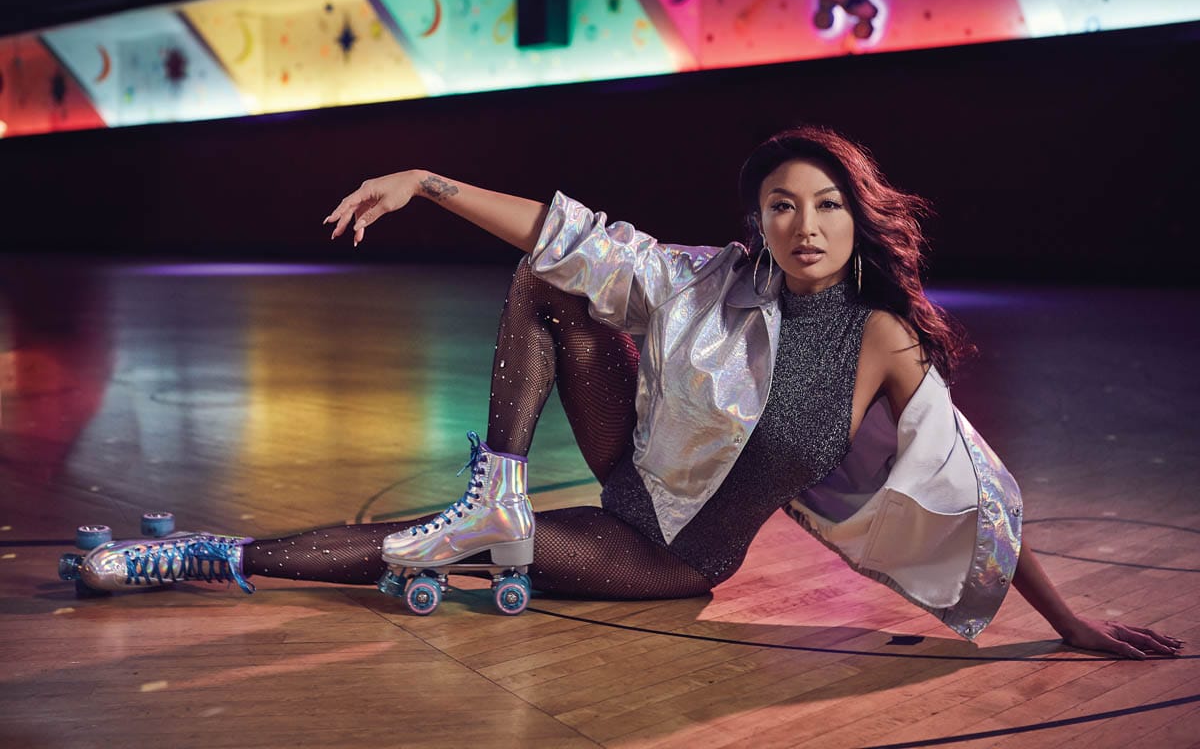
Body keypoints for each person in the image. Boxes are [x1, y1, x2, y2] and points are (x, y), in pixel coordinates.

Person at [61, 126, 1181, 660]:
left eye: (828, 204)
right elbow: (574, 237)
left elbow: (978, 490)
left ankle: (204, 555)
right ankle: (497, 488)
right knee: (551, 276)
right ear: (757, 222)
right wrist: (427, 182)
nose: (805, 226)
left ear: (858, 212)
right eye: (782, 205)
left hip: (668, 553)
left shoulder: (880, 341)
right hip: (628, 463)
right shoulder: (710, 277)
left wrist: (1068, 623)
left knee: (424, 545)